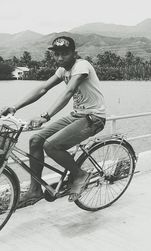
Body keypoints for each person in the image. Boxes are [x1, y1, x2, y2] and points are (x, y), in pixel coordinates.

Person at [0, 36, 106, 206]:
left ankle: (80, 175)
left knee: (51, 146)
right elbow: (43, 88)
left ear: (74, 53)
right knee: (35, 140)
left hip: (94, 118)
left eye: (64, 54)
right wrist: (15, 107)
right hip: (77, 115)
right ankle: (35, 191)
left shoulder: (81, 66)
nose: (60, 58)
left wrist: (45, 116)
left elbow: (69, 91)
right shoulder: (62, 70)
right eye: (56, 54)